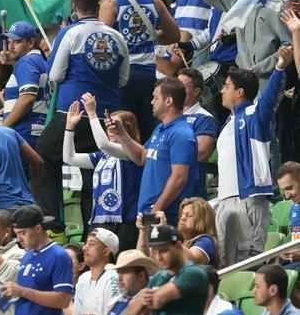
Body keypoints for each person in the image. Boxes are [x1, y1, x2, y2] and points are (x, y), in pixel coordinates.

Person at [37, 0, 130, 225]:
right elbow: (123, 80)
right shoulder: (117, 36)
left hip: (72, 113)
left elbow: (55, 75)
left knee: (44, 156)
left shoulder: (70, 33)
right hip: (106, 115)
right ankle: (97, 228)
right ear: (98, 5)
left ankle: (51, 218)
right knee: (95, 171)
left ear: (74, 7)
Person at [215, 49, 291, 266]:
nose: (221, 90)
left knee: (251, 264)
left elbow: (270, 99)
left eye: (226, 86)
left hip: (249, 199)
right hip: (226, 200)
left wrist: (279, 67)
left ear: (239, 92)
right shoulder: (228, 123)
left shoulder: (255, 114)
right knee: (226, 267)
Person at [100, 0, 180, 141]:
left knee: (122, 133)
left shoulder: (111, 2)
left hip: (121, 77)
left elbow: (102, 44)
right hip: (148, 75)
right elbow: (174, 35)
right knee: (146, 133)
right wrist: (152, 37)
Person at [111, 78, 199, 226]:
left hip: (166, 214)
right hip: (148, 211)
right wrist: (121, 134)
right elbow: (141, 157)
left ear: (168, 101)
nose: (152, 102)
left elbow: (179, 178)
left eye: (156, 97)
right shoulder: (160, 129)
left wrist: (155, 210)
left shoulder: (182, 133)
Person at [64, 94, 143, 249]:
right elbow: (69, 158)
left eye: (114, 125)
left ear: (128, 128)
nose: (110, 128)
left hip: (125, 222)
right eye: (108, 125)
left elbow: (103, 144)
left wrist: (92, 114)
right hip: (100, 221)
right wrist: (69, 127)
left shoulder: (133, 151)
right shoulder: (103, 156)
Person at [59, 228, 119, 315]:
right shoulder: (83, 279)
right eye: (86, 243)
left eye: (91, 244)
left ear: (106, 251)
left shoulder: (114, 277)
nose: (85, 247)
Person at [1, 21, 49, 148]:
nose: (11, 47)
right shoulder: (40, 61)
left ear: (31, 43)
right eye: (9, 41)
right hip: (36, 131)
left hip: (23, 133)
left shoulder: (27, 62)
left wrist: (2, 128)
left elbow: (27, 98)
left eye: (17, 42)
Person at [177, 67, 217, 196]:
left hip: (190, 188)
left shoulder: (204, 118)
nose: (177, 90)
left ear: (196, 91)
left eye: (183, 86)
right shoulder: (167, 117)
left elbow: (201, 153)